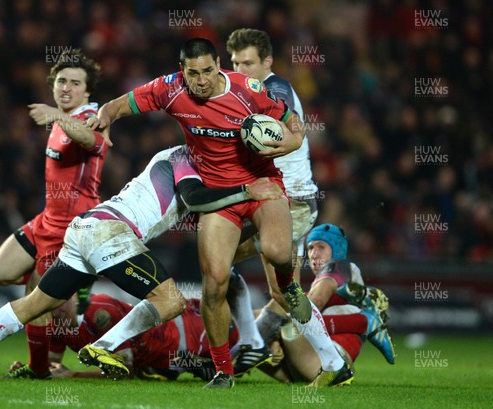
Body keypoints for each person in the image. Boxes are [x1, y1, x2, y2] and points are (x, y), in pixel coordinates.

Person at [88, 37, 350, 389]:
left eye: (208, 71)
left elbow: (295, 127)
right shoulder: (171, 88)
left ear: (217, 66)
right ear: (183, 71)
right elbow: (127, 102)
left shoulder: (249, 90)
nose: (201, 80)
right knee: (214, 285)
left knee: (277, 260)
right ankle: (224, 371)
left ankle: (295, 310)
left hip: (263, 185)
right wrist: (105, 114)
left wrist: (288, 143)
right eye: (193, 73)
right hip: (219, 197)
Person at [0, 145, 282, 382]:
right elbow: (194, 198)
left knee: (33, 305)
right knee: (171, 300)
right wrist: (247, 191)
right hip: (111, 233)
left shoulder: (197, 165)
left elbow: (207, 208)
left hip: (85, 229)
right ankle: (102, 347)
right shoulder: (185, 157)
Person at [0, 49, 108, 379]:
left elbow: (91, 140)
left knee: (39, 303)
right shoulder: (59, 119)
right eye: (61, 81)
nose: (66, 87)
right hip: (45, 219)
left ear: (87, 91)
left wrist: (57, 115)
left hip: (70, 230)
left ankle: (38, 369)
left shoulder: (92, 118)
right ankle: (63, 290)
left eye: (74, 83)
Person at [225, 28, 320, 376]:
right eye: (234, 62)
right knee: (280, 293)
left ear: (267, 62)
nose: (240, 69)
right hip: (287, 200)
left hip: (290, 201)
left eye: (248, 63)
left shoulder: (273, 89)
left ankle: (252, 346)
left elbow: (284, 119)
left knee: (221, 261)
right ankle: (258, 347)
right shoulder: (241, 93)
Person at [259, 224, 396, 384]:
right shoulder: (330, 279)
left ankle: (245, 349)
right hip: (311, 362)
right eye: (310, 248)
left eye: (321, 247)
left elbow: (314, 303)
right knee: (275, 313)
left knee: (285, 309)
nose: (314, 254)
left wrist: (274, 333)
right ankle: (365, 322)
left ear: (337, 249)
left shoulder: (339, 265)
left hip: (333, 358)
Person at [8, 293, 240, 381]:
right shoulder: (58, 325)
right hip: (157, 357)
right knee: (160, 371)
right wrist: (33, 368)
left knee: (242, 348)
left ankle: (266, 322)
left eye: (59, 304)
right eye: (50, 306)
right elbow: (51, 366)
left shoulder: (100, 312)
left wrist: (73, 375)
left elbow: (124, 370)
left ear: (73, 297)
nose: (55, 311)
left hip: (185, 336)